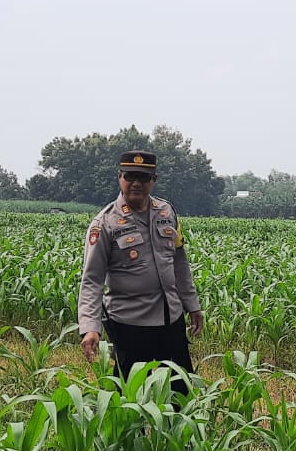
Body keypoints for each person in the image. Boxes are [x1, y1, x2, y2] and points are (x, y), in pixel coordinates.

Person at [78, 149, 204, 392]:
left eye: (144, 177)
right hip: (129, 323)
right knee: (130, 398)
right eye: (130, 176)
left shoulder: (167, 213)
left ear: (154, 180)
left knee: (180, 393)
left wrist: (192, 304)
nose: (136, 182)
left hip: (170, 318)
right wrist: (90, 327)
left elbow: (179, 262)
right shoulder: (104, 223)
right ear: (120, 177)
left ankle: (174, 431)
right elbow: (92, 280)